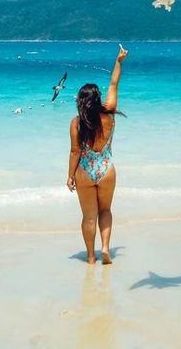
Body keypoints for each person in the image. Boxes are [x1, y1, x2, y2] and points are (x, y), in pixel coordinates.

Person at [67, 45, 128, 264]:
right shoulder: (109, 115)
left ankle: (91, 257)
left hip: (85, 170)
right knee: (106, 210)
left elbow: (75, 151)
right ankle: (105, 248)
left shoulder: (76, 123)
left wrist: (70, 176)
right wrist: (119, 61)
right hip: (106, 169)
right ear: (97, 98)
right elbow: (114, 83)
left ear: (81, 102)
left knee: (88, 216)